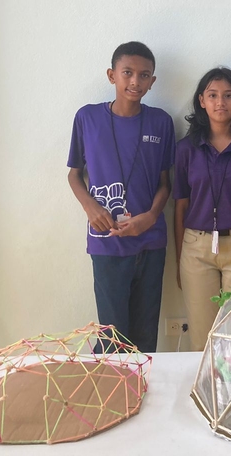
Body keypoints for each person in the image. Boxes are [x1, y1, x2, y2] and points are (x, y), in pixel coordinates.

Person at [67, 41, 175, 352]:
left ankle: (145, 396)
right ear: (112, 75)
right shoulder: (87, 118)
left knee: (144, 335)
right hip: (106, 241)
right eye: (127, 73)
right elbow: (74, 174)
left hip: (150, 241)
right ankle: (114, 399)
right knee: (112, 336)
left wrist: (151, 217)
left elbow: (165, 183)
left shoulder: (161, 122)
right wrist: (91, 208)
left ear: (152, 82)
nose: (135, 82)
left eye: (144, 75)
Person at [174, 67, 231, 351]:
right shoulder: (186, 149)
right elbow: (180, 206)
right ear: (201, 100)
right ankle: (206, 396)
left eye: (228, 95)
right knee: (203, 337)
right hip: (197, 250)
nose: (220, 102)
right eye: (212, 95)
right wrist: (180, 257)